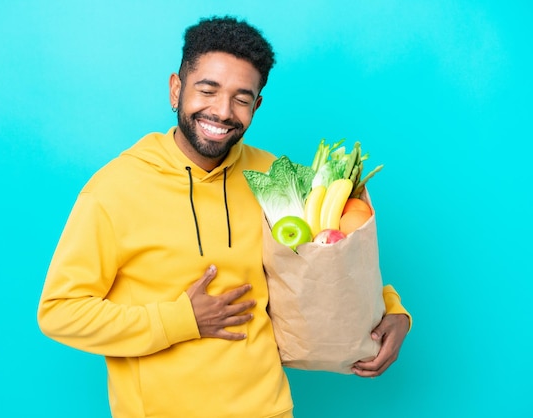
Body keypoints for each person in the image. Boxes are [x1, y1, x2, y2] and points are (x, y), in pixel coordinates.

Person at [37, 15, 411, 418]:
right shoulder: (115, 189)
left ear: (257, 105)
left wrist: (393, 310)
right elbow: (59, 310)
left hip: (268, 408)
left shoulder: (274, 178)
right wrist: (179, 319)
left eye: (241, 98)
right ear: (176, 89)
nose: (222, 111)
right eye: (207, 90)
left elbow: (327, 252)